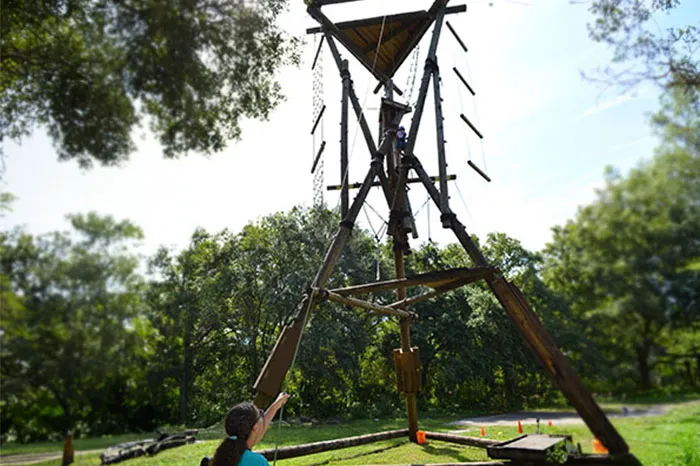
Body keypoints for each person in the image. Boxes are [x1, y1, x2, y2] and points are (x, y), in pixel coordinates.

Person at [208, 392, 290, 466]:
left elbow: (259, 430)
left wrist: (276, 405)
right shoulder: (258, 462)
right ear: (256, 427)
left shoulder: (221, 457)